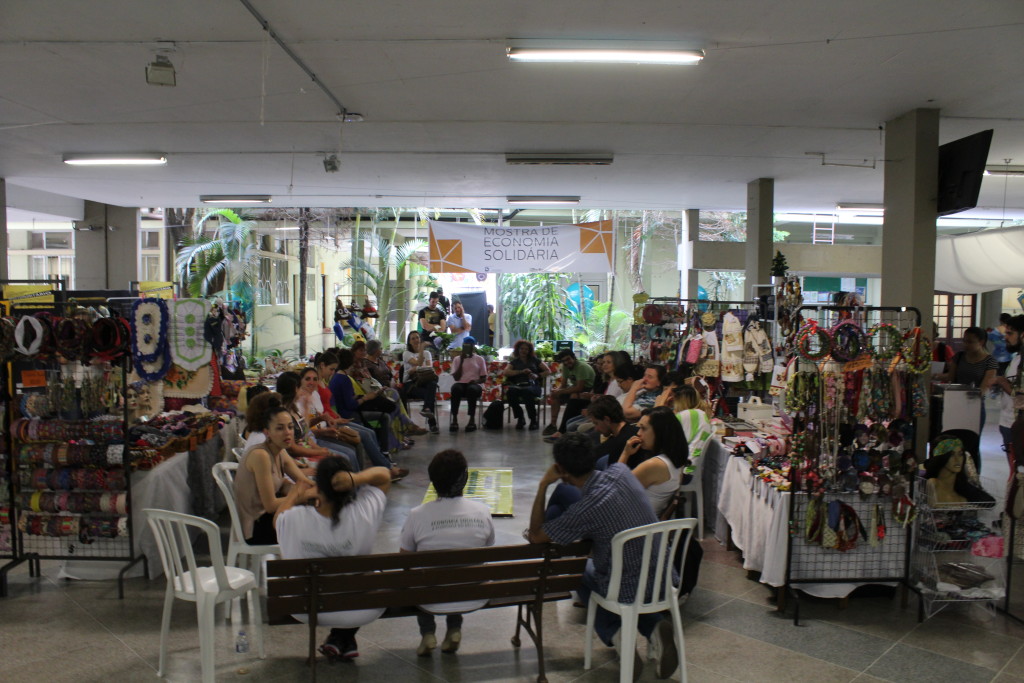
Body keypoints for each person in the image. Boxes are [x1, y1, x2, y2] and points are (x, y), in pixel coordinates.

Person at [526, 432, 677, 680]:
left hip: (628, 585)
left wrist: (544, 485)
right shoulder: (622, 472)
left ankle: (617, 635)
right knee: (564, 505)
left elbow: (536, 536)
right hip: (663, 574)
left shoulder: (586, 510)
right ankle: (654, 626)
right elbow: (617, 467)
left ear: (561, 468)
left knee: (577, 570)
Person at [275, 457, 392, 661]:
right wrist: (355, 478)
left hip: (306, 608)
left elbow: (278, 519)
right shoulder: (365, 511)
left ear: (318, 486)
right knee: (366, 580)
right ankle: (342, 638)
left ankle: (339, 639)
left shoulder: (295, 518)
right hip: (362, 608)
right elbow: (384, 475)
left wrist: (294, 495)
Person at [400, 450, 495, 656]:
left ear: (433, 480)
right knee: (461, 570)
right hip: (474, 593)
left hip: (429, 597)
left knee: (419, 576)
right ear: (465, 478)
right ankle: (454, 629)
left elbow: (405, 560)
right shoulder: (483, 511)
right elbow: (487, 551)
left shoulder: (417, 515)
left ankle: (427, 633)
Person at [233, 404, 317, 545]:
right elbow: (271, 505)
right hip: (256, 526)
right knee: (315, 525)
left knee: (319, 513)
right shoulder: (261, 455)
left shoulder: (280, 450)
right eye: (280, 428)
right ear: (267, 433)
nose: (287, 432)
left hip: (268, 517)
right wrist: (302, 494)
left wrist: (326, 490)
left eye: (290, 427)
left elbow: (303, 481)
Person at [327, 348, 409, 480]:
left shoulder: (338, 378)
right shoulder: (343, 379)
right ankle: (385, 464)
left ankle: (384, 456)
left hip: (346, 412)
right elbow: (350, 405)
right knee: (371, 428)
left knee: (384, 418)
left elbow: (347, 399)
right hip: (349, 415)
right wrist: (366, 398)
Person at [277, 369, 360, 470]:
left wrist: (318, 417)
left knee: (350, 451)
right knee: (344, 458)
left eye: (315, 379)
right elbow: (293, 448)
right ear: (295, 389)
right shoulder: (284, 415)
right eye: (307, 379)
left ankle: (355, 482)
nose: (311, 383)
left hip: (309, 445)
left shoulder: (293, 407)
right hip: (300, 456)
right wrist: (320, 451)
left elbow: (304, 431)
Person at [619, 407, 689, 516]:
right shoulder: (675, 459)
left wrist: (625, 454)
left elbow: (615, 490)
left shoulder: (654, 465)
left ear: (659, 432)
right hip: (646, 524)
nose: (638, 433)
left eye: (643, 428)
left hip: (632, 526)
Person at [939, 326, 998, 433]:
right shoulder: (959, 356)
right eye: (964, 341)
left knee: (972, 440)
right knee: (953, 438)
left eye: (970, 342)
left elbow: (983, 388)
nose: (965, 345)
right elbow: (950, 379)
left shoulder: (990, 361)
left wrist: (970, 396)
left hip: (975, 405)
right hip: (955, 403)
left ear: (981, 342)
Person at [542, 349, 595, 440]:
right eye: (564, 361)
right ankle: (553, 424)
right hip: (575, 388)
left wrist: (561, 391)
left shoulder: (581, 367)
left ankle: (562, 431)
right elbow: (563, 385)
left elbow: (580, 388)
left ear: (574, 358)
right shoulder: (565, 367)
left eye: (568, 359)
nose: (566, 362)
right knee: (555, 395)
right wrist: (557, 391)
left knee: (573, 395)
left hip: (588, 390)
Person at [994, 315, 1024, 458]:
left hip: (1018, 424)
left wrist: (1002, 381)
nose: (1005, 337)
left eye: (1010, 333)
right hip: (1008, 421)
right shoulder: (1017, 358)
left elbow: (1021, 396)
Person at [503, 339, 550, 430]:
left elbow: (548, 371)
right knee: (510, 393)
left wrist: (537, 375)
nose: (524, 351)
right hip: (518, 385)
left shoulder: (535, 360)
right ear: (518, 350)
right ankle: (520, 417)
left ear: (529, 351)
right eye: (522, 349)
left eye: (526, 349)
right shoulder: (514, 362)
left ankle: (533, 420)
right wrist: (521, 371)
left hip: (533, 385)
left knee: (527, 392)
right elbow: (506, 372)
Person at [590, 395, 642, 471]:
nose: (596, 429)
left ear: (607, 420)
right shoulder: (636, 431)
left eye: (596, 423)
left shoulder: (618, 445)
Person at [401, 330, 439, 434]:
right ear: (409, 341)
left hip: (424, 381)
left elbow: (429, 368)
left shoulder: (427, 353)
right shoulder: (406, 353)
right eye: (413, 338)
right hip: (411, 384)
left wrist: (417, 368)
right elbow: (418, 362)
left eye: (417, 337)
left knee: (432, 384)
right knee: (430, 393)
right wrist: (422, 349)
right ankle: (432, 424)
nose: (416, 340)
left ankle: (427, 409)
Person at [449, 336, 487, 432]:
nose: (467, 348)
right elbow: (456, 377)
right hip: (461, 383)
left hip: (475, 384)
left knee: (472, 390)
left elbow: (484, 378)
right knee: (455, 389)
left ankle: (472, 420)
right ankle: (454, 419)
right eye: (465, 345)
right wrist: (462, 361)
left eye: (469, 346)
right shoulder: (457, 359)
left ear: (473, 347)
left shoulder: (479, 359)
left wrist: (476, 381)